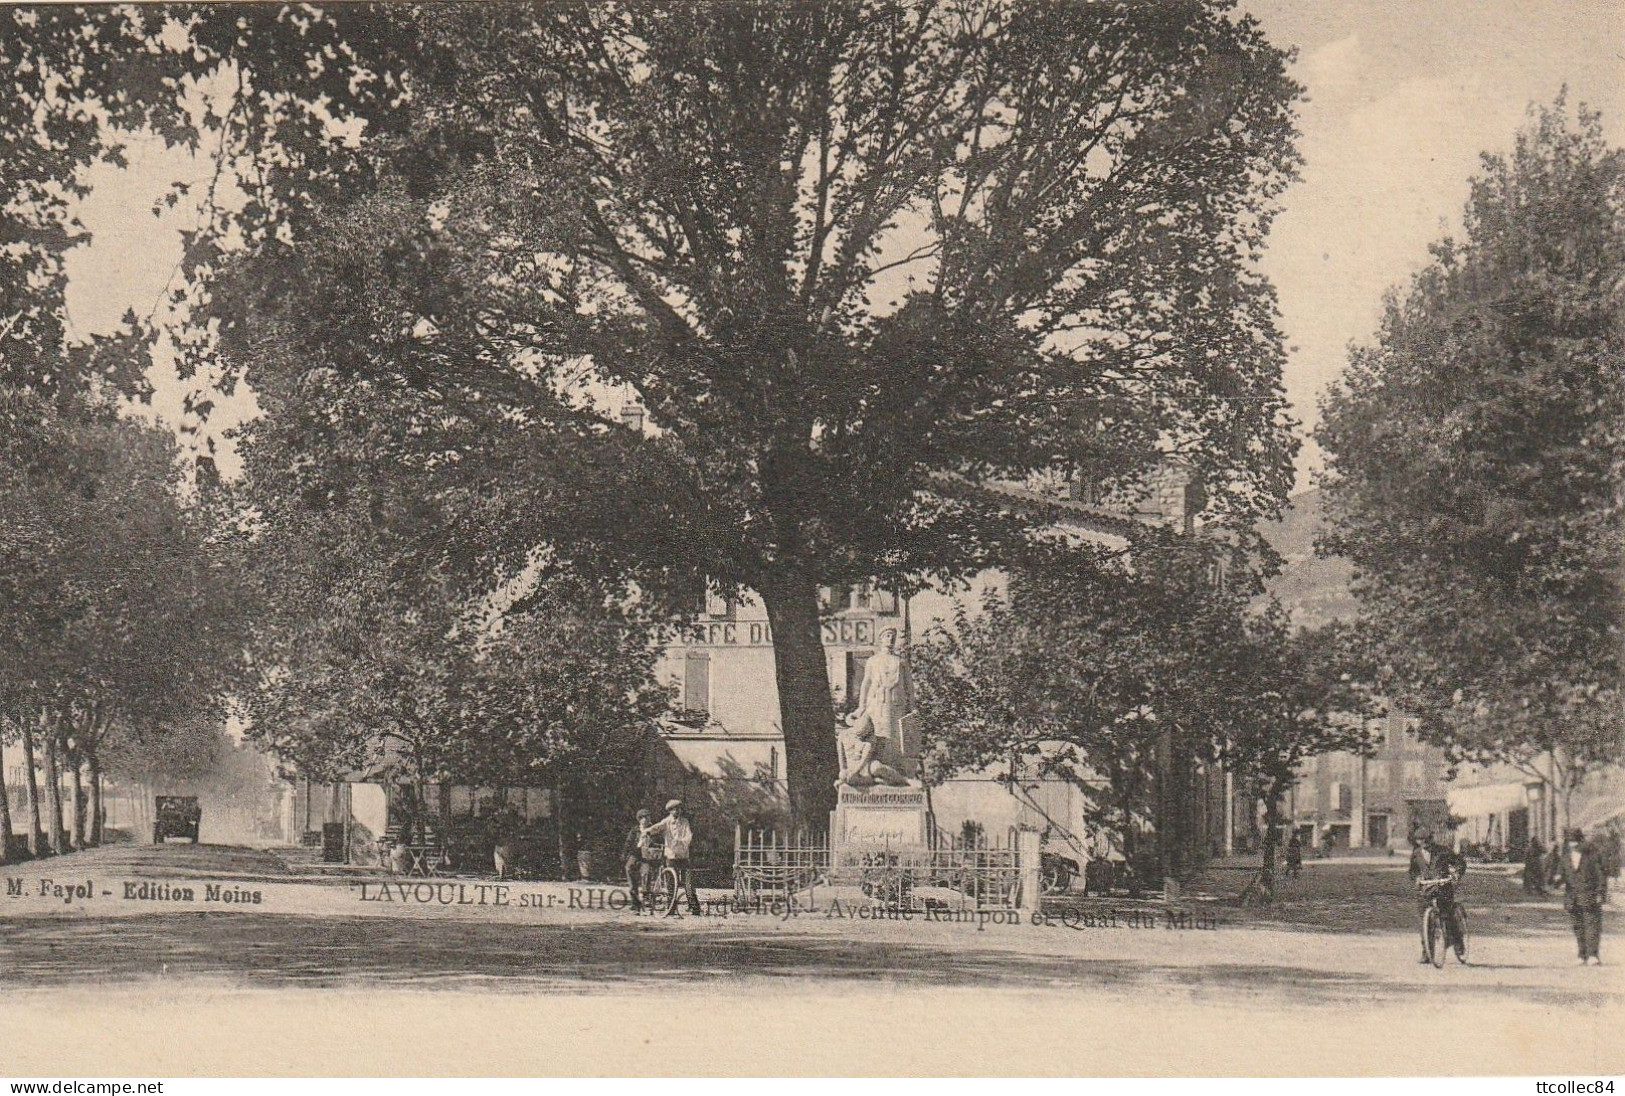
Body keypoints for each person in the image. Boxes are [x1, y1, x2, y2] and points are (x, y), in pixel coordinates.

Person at [1409, 829, 1466, 963]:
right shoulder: (1416, 854)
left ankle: (1458, 943)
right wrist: (1416, 878)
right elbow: (1413, 871)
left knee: (1448, 916)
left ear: (1431, 839)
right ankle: (1426, 952)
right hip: (1425, 890)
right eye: (1420, 840)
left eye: (1427, 840)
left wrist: (1456, 873)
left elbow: (1460, 862)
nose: (1424, 843)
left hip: (1443, 888)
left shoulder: (1443, 851)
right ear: (1417, 841)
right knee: (1425, 921)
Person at [643, 798, 702, 916]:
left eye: (679, 809)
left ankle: (694, 907)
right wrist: (647, 831)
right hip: (671, 856)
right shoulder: (666, 822)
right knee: (670, 883)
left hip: (683, 855)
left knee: (688, 882)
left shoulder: (684, 822)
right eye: (675, 809)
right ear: (670, 811)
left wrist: (682, 842)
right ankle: (671, 907)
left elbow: (688, 835)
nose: (677, 811)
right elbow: (657, 827)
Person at [1555, 827, 1605, 965]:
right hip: (1572, 898)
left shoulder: (1592, 856)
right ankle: (1581, 954)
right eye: (1570, 842)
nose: (1573, 845)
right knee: (1578, 927)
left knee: (1592, 926)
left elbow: (1600, 875)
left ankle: (1593, 955)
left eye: (1576, 842)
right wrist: (1556, 880)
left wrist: (1600, 892)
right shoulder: (1564, 858)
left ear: (1581, 841)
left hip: (1589, 895)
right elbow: (1560, 876)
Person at [622, 808, 657, 912]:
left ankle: (646, 899)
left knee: (646, 873)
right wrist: (626, 854)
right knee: (629, 868)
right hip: (635, 855)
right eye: (642, 817)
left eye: (647, 817)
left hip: (647, 858)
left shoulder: (654, 830)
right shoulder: (635, 830)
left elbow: (657, 843)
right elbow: (628, 844)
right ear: (639, 819)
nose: (645, 819)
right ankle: (635, 901)